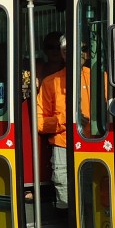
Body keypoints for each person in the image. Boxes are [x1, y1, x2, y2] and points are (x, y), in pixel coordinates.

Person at [37, 36, 90, 210]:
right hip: (62, 147)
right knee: (66, 206)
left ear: (87, 53)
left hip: (94, 145)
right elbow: (39, 122)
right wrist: (65, 119)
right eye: (68, 50)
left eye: (81, 48)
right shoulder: (50, 82)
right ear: (62, 53)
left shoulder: (101, 78)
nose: (76, 53)